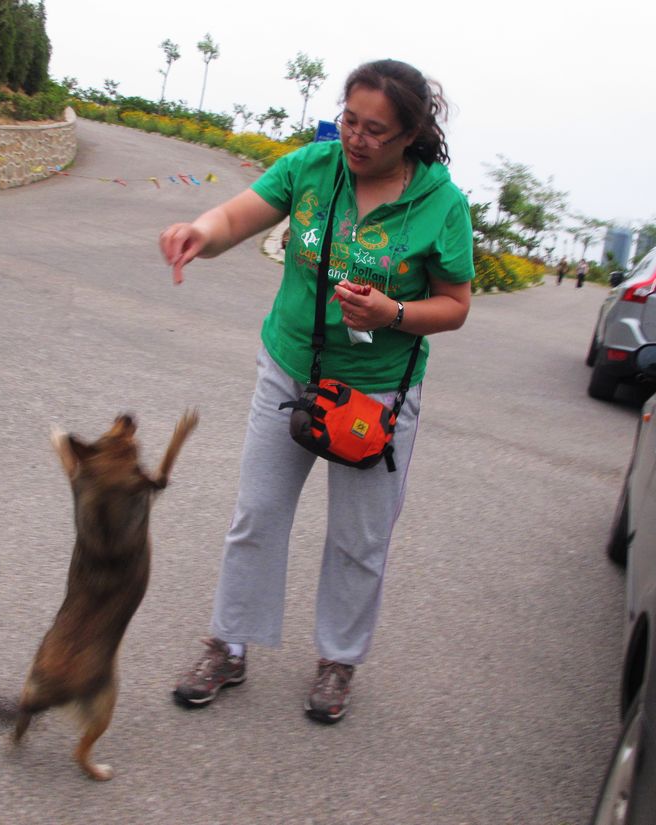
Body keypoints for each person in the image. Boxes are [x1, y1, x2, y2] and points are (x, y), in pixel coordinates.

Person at [158, 58, 475, 724]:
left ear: (410, 134)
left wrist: (392, 314)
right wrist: (199, 233)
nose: (356, 139)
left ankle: (338, 660)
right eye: (350, 121)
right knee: (258, 512)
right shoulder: (312, 167)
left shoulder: (441, 204)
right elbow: (238, 217)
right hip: (290, 369)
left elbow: (454, 305)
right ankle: (229, 644)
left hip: (376, 394)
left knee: (360, 536)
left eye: (375, 131)